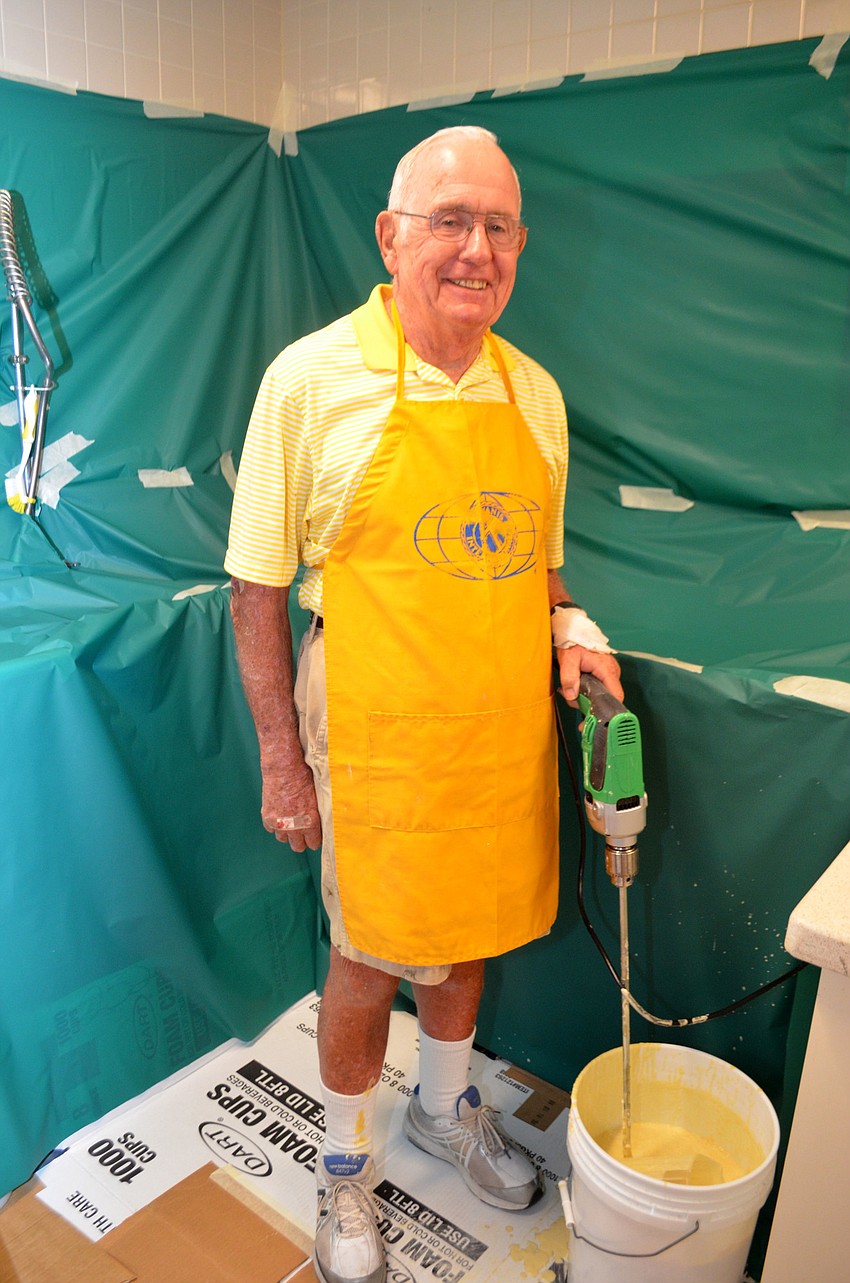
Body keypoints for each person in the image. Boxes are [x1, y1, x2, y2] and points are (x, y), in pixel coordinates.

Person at [225, 125, 622, 1283]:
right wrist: (279, 763)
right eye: (449, 221)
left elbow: (532, 557)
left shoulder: (532, 392)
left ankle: (445, 1112)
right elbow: (253, 588)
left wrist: (569, 623)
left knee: (470, 929)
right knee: (372, 949)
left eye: (497, 226)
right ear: (390, 235)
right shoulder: (310, 379)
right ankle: (344, 1169)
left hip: (497, 724)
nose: (475, 249)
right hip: (373, 716)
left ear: (520, 246)